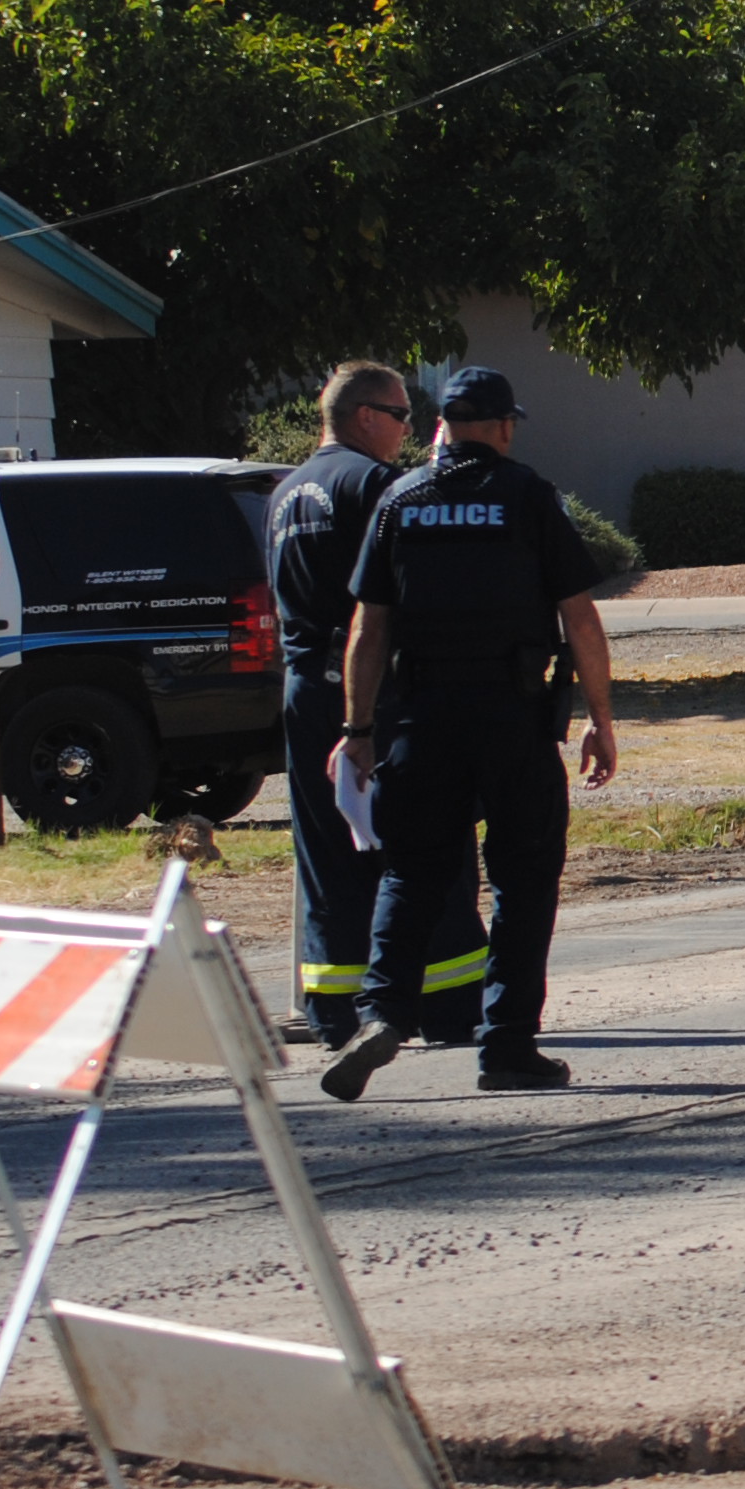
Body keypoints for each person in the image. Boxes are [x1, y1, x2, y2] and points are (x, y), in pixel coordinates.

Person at [320, 368, 620, 1100]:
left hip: (421, 720)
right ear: (505, 427)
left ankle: (382, 1011)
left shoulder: (400, 499)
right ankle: (508, 1047)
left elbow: (369, 627)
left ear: (444, 426)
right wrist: (602, 722)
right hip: (511, 721)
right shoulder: (527, 496)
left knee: (410, 871)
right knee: (522, 880)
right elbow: (579, 617)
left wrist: (358, 728)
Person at [265, 365, 487, 1052]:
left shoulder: (285, 492)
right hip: (376, 691)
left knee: (330, 854)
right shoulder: (374, 487)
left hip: (306, 694)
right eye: (398, 414)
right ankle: (448, 1002)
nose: (407, 429)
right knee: (428, 841)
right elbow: (406, 595)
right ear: (364, 415)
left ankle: (336, 1009)